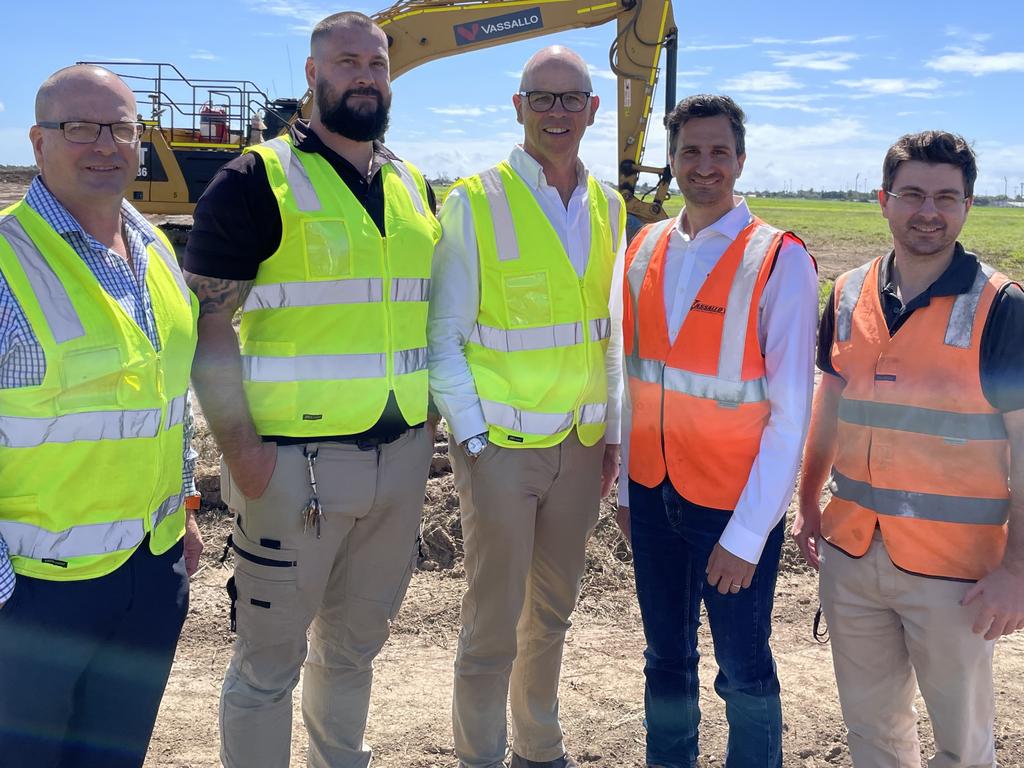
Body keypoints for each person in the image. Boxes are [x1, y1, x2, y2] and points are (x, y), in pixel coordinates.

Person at [183, 12, 440, 768]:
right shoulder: (256, 179)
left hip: (397, 462)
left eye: (377, 64)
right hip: (292, 470)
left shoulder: (408, 182)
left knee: (354, 653)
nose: (365, 75)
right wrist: (243, 454)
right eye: (348, 62)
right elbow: (209, 331)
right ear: (313, 74)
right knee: (267, 668)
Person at [793, 130, 1024, 767]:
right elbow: (829, 411)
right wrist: (809, 503)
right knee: (872, 732)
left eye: (947, 197)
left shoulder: (1001, 309)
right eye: (913, 194)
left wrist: (1017, 572)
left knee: (963, 743)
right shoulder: (845, 294)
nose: (929, 210)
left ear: (968, 206)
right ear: (884, 200)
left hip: (959, 575)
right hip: (853, 553)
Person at [429, 45, 626, 768]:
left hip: (579, 449)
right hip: (502, 451)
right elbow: (442, 337)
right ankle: (480, 756)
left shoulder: (608, 206)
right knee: (491, 623)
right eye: (541, 99)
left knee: (552, 613)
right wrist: (474, 442)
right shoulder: (475, 202)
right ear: (518, 108)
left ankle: (539, 750)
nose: (557, 113)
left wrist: (610, 433)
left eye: (571, 99)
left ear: (592, 111)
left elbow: (607, 333)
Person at [0, 64, 202, 767]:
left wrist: (185, 510)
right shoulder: (5, 263)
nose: (103, 144)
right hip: (34, 590)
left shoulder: (156, 252)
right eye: (79, 127)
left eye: (120, 128)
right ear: (38, 140)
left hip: (150, 574)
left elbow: (164, 400)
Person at [617, 94, 818, 767]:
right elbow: (634, 380)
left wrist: (748, 534)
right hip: (652, 495)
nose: (706, 165)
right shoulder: (643, 248)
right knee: (665, 660)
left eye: (719, 152)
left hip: (732, 506)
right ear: (671, 162)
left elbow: (791, 411)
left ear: (740, 159)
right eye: (691, 151)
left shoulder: (778, 258)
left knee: (743, 670)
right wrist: (625, 489)